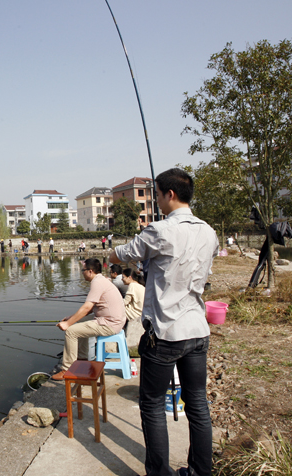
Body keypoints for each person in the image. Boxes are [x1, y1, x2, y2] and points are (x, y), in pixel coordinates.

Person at [109, 168, 219, 476]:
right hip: (198, 330)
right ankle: (200, 471)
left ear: (169, 194)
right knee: (197, 405)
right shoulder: (209, 233)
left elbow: (123, 254)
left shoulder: (160, 231)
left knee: (153, 405)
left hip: (165, 334)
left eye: (156, 195)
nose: (156, 200)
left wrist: (114, 252)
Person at [51, 258, 125, 380]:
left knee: (71, 331)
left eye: (83, 270)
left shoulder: (97, 283)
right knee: (78, 323)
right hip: (112, 320)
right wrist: (72, 318)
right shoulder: (101, 280)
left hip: (110, 323)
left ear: (90, 271)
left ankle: (67, 369)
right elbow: (91, 308)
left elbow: (87, 307)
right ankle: (82, 359)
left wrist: (68, 324)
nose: (82, 272)